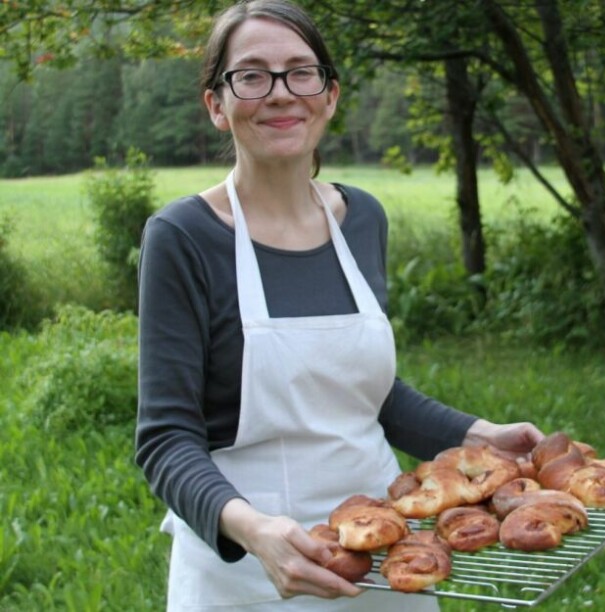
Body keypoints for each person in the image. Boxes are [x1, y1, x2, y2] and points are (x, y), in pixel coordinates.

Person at [134, 1, 543, 609]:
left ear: (329, 95)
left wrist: (482, 436)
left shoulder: (362, 219)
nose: (281, 93)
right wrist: (254, 531)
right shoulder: (183, 236)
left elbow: (365, 394)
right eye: (251, 75)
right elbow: (165, 438)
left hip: (382, 552)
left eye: (302, 72)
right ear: (216, 104)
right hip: (246, 563)